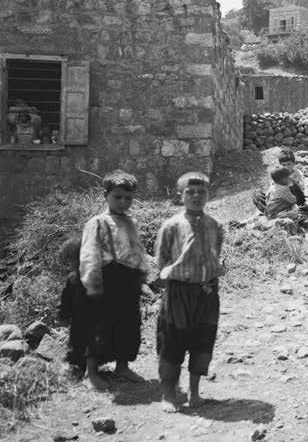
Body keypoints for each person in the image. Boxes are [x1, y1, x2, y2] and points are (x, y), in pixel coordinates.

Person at [78, 170, 158, 390]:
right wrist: (91, 284)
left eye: (128, 198)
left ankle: (122, 367)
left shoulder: (131, 222)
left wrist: (142, 276)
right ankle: (91, 372)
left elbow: (137, 250)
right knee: (99, 324)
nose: (123, 202)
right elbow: (89, 254)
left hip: (128, 279)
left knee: (128, 323)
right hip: (106, 278)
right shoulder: (98, 222)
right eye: (117, 197)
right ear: (106, 195)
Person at [155, 171, 225, 412]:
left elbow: (217, 253)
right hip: (178, 293)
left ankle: (195, 391)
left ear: (208, 194)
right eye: (190, 192)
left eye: (201, 192)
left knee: (202, 340)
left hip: (207, 293)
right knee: (172, 341)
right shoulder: (171, 226)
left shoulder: (215, 225)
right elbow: (161, 260)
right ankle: (168, 394)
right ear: (180, 195)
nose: (196, 196)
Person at [57, 235, 91, 379]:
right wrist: (63, 313)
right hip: (78, 322)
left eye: (71, 259)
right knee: (77, 343)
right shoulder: (73, 279)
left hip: (92, 323)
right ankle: (79, 365)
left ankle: (88, 368)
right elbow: (66, 300)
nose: (70, 264)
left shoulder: (95, 276)